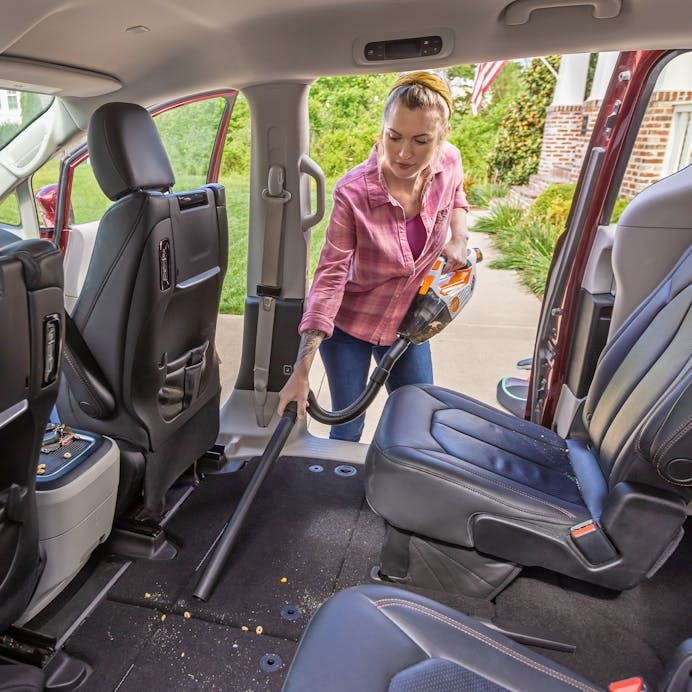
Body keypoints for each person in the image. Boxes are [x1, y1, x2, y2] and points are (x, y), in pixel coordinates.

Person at [278, 71, 470, 441]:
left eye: (421, 141)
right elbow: (330, 278)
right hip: (350, 326)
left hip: (409, 322)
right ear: (381, 130)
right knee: (347, 425)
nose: (403, 153)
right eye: (393, 136)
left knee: (419, 418)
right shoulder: (353, 192)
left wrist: (458, 236)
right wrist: (301, 371)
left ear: (443, 135)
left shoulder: (450, 161)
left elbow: (458, 194)